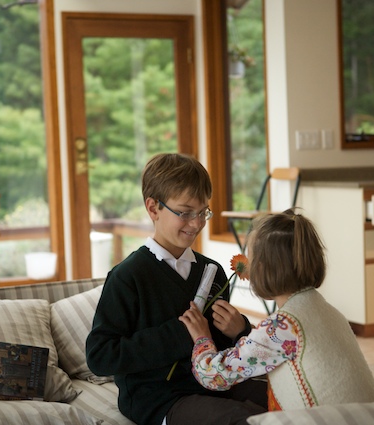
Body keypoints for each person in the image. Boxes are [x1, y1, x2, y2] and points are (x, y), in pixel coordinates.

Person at [86, 153, 267, 425]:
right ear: (153, 208)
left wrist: (239, 330)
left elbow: (223, 351)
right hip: (160, 398)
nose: (196, 223)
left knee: (283, 399)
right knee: (242, 419)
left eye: (203, 212)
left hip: (215, 381)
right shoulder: (128, 276)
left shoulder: (213, 272)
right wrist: (182, 334)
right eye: (185, 212)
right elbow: (100, 356)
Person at [179, 209, 374, 411]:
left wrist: (202, 338)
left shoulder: (282, 326)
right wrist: (243, 332)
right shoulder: (328, 312)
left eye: (251, 260)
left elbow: (212, 375)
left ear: (264, 268)